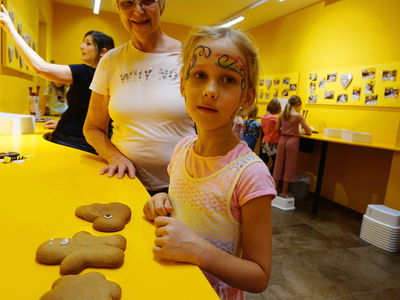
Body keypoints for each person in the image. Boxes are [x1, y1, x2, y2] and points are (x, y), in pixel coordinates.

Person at [143, 26, 276, 300]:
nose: (210, 90)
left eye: (227, 79)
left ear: (247, 96)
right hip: (170, 285)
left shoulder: (251, 175)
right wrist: (160, 202)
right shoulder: (181, 150)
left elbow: (259, 276)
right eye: (200, 75)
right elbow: (183, 208)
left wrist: (199, 251)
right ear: (183, 85)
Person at [83, 0, 195, 194]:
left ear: (162, 5)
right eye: (127, 3)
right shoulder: (111, 60)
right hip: (126, 182)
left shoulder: (189, 58)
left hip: (183, 185)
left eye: (147, 1)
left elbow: (209, 125)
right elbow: (92, 128)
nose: (138, 11)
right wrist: (115, 157)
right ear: (118, 9)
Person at [0, 4, 114, 153]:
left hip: (72, 143)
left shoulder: (84, 72)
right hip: (88, 145)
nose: (81, 46)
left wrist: (10, 29)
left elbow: (40, 67)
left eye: (88, 43)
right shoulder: (109, 78)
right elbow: (85, 113)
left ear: (103, 52)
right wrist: (61, 121)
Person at [273, 95, 312, 198]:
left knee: (278, 165)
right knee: (289, 166)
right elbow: (308, 131)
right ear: (298, 105)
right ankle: (284, 192)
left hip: (282, 140)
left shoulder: (282, 114)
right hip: (293, 141)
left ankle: (275, 189)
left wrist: (285, 131)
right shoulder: (298, 116)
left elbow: (276, 129)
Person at [260, 98, 282, 172]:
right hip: (272, 141)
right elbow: (279, 128)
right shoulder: (275, 118)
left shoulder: (263, 117)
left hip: (265, 141)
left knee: (264, 161)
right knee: (275, 161)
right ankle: (271, 176)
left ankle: (261, 174)